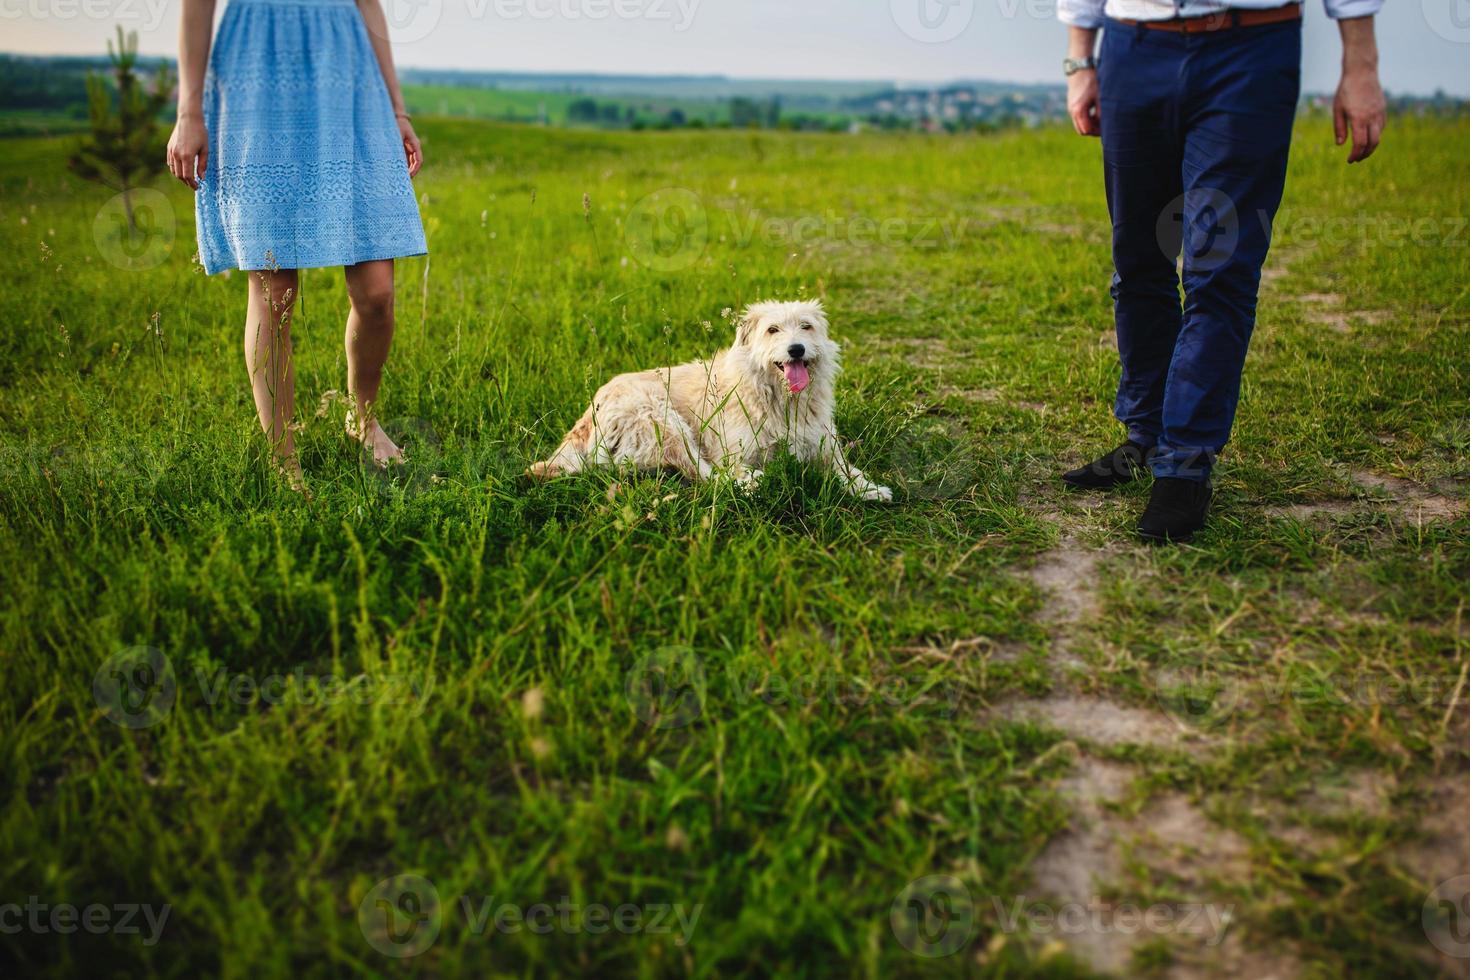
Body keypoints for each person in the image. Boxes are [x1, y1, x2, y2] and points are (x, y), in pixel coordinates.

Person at [1055, 0, 1385, 542]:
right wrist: (1079, 61)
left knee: (1219, 268)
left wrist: (1361, 66)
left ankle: (1184, 469)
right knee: (1138, 260)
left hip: (1250, 52)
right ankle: (1146, 434)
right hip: (1133, 49)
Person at [167, 0, 428, 491]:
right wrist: (189, 112)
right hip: (257, 75)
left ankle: (362, 417)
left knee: (376, 294)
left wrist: (396, 107)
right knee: (275, 293)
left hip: (350, 77)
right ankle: (283, 459)